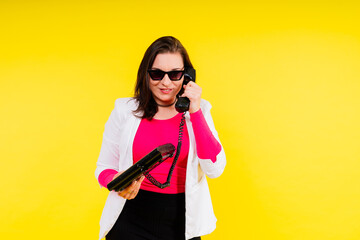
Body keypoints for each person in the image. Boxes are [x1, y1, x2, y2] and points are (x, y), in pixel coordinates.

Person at [95, 36, 226, 240]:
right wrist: (117, 182)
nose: (166, 82)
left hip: (183, 223)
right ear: (145, 75)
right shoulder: (124, 110)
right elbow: (103, 168)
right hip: (131, 218)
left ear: (187, 76)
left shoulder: (199, 111)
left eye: (175, 74)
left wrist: (195, 112)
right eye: (157, 74)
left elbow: (215, 168)